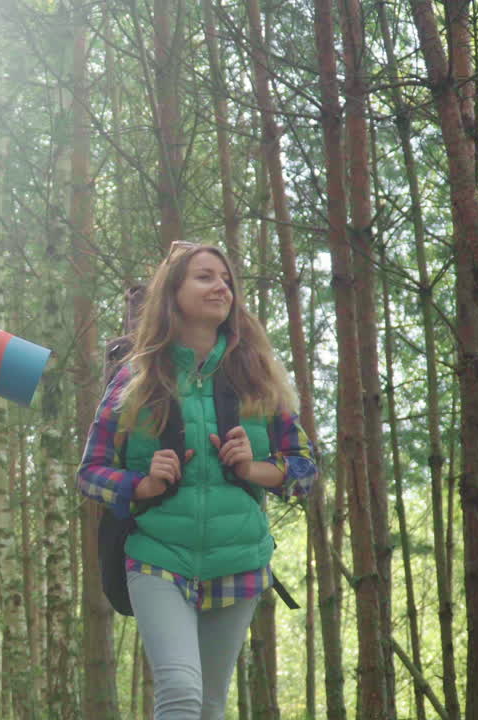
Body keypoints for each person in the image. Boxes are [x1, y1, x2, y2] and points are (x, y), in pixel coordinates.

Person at [76, 242, 316, 720]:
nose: (220, 287)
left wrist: (254, 469)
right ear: (173, 293)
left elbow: (305, 469)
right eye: (204, 277)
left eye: (225, 279)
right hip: (158, 557)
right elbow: (90, 472)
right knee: (181, 692)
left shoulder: (256, 376)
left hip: (240, 560)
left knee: (209, 704)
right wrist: (140, 485)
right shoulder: (135, 378)